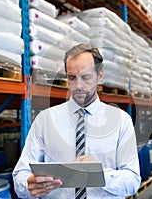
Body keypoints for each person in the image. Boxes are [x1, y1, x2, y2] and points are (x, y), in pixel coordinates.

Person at [12, 44, 141, 198]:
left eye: (86, 77)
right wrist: (28, 184)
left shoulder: (121, 121)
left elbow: (132, 181)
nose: (78, 86)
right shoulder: (45, 121)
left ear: (100, 75)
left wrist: (100, 175)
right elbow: (20, 174)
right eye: (72, 78)